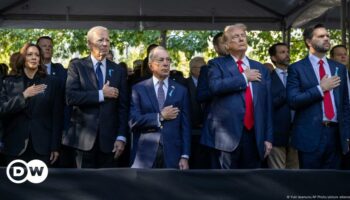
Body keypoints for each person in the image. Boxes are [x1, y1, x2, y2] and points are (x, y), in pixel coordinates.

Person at [201, 23, 273, 169]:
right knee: (225, 185)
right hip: (225, 138)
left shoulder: (260, 68)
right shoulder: (216, 65)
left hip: (254, 136)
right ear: (226, 45)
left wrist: (268, 137)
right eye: (235, 37)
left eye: (243, 36)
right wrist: (243, 78)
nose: (241, 39)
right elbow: (215, 87)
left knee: (251, 183)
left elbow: (267, 106)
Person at [64, 26, 128, 168]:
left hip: (110, 142)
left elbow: (123, 107)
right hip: (83, 141)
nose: (105, 44)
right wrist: (101, 94)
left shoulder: (118, 70)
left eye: (107, 40)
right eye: (100, 40)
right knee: (83, 186)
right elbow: (71, 97)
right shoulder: (77, 66)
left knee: (107, 187)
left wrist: (121, 136)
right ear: (89, 44)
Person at [287, 24, 350, 169]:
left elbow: (345, 104)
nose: (327, 38)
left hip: (336, 135)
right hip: (309, 135)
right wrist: (320, 89)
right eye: (321, 36)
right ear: (309, 42)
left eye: (327, 35)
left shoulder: (339, 68)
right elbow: (293, 101)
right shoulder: (297, 68)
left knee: (333, 184)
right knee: (310, 184)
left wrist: (346, 133)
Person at [0, 43, 63, 165]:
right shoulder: (8, 82)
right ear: (23, 58)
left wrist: (55, 146)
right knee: (15, 184)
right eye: (29, 54)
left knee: (41, 184)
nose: (34, 57)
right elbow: (2, 109)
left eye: (37, 55)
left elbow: (56, 116)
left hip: (42, 146)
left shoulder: (52, 82)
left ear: (40, 59)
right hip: (14, 145)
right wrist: (23, 96)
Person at [129, 46, 191, 169]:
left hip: (173, 154)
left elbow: (185, 126)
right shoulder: (139, 89)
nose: (166, 63)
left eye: (168, 60)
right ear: (151, 65)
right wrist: (160, 116)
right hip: (145, 154)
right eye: (161, 60)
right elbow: (133, 121)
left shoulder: (181, 90)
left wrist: (185, 155)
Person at [267, 43, 298, 169]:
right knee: (278, 175)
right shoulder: (268, 79)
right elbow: (267, 105)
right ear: (273, 58)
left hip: (297, 132)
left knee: (296, 174)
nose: (287, 55)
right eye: (282, 52)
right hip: (277, 134)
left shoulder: (297, 75)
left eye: (287, 51)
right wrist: (287, 92)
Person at [185, 56, 210, 169]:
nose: (205, 70)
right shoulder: (184, 84)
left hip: (206, 130)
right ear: (193, 69)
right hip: (191, 130)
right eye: (202, 68)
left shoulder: (209, 84)